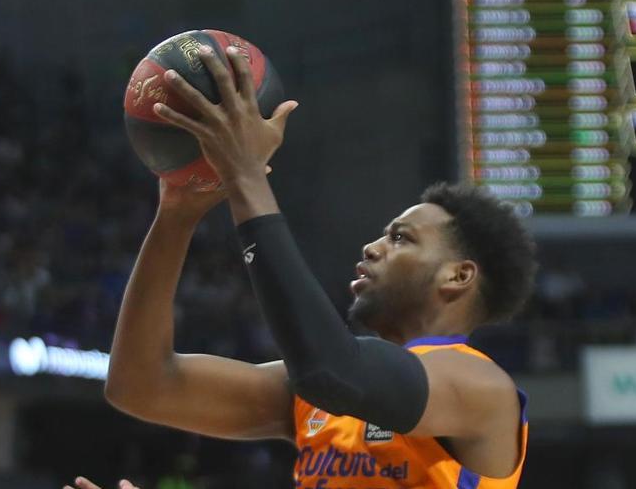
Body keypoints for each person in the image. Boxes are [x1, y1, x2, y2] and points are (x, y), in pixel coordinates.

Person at [101, 44, 537, 488]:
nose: (372, 247)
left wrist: (245, 177)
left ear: (457, 275)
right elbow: (141, 385)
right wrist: (176, 216)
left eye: (401, 238)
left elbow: (334, 371)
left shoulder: (481, 388)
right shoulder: (317, 391)